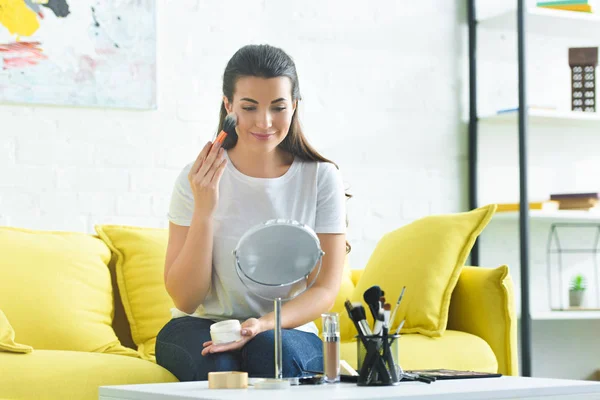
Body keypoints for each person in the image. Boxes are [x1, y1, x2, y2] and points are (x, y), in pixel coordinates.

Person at [155, 44, 350, 382]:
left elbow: (324, 289)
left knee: (271, 351)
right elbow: (186, 299)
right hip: (206, 325)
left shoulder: (321, 178)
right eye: (249, 107)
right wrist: (204, 210)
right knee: (219, 367)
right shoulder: (195, 178)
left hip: (284, 328)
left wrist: (261, 325)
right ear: (228, 106)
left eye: (278, 107)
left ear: (295, 105)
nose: (265, 121)